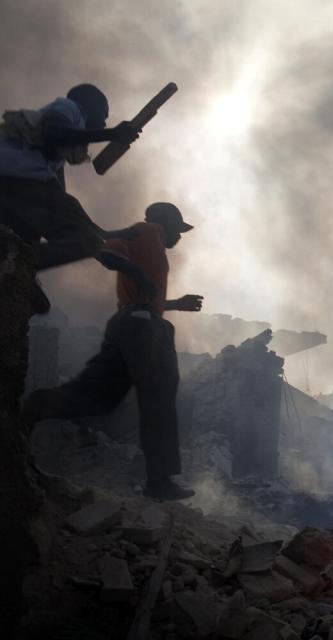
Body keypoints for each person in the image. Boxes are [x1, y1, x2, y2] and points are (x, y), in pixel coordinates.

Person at [20, 203, 202, 501]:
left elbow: (143, 295)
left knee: (99, 396)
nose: (179, 238)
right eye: (179, 230)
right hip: (143, 327)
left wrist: (174, 304)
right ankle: (159, 482)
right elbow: (104, 250)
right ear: (166, 222)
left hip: (131, 322)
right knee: (159, 395)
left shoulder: (151, 244)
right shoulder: (146, 231)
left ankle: (37, 406)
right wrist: (140, 277)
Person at [0, 84, 140, 309]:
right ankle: (18, 266)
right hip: (14, 179)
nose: (103, 122)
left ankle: (21, 272)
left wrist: (111, 234)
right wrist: (111, 134)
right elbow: (55, 132)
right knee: (85, 241)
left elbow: (63, 205)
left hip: (14, 189)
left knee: (75, 230)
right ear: (89, 106)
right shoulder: (69, 107)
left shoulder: (49, 161)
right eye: (102, 116)